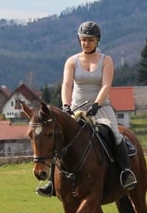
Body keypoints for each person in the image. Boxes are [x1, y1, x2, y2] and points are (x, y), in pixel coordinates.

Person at [36, 21, 137, 197]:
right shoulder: (71, 61)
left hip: (101, 107)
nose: (86, 43)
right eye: (83, 39)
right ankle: (52, 181)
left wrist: (97, 104)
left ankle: (125, 172)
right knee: (60, 138)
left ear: (97, 41)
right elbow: (67, 85)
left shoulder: (106, 60)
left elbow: (106, 85)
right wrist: (66, 106)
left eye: (90, 40)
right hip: (76, 108)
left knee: (115, 134)